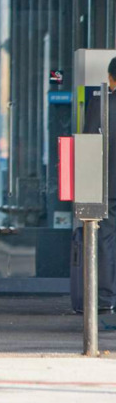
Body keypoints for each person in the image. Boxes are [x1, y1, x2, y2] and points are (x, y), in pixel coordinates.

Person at [83, 57, 116, 312]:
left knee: (104, 240)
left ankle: (105, 300)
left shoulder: (100, 104)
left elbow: (89, 146)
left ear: (110, 78)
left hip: (109, 189)